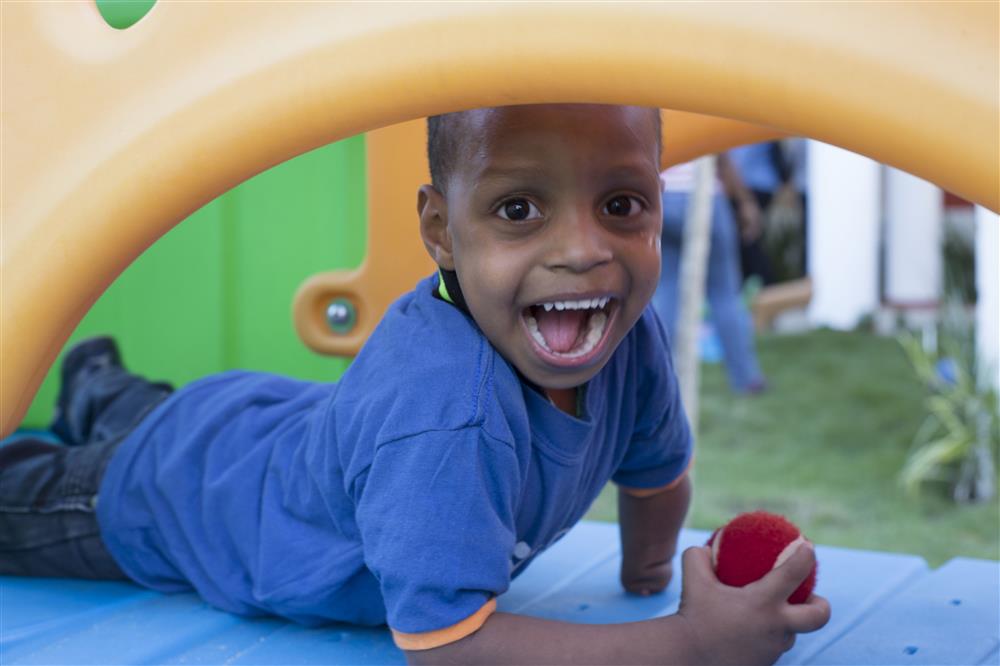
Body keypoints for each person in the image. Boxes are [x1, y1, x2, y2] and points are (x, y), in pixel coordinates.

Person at [0, 104, 828, 665]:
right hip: (177, 501)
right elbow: (449, 644)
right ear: (440, 230)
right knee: (45, 492)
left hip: (267, 426)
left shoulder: (632, 336)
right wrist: (687, 643)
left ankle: (100, 385)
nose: (584, 248)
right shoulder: (446, 419)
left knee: (178, 417)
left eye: (622, 204)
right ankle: (104, 398)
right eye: (517, 210)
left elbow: (657, 473)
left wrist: (648, 572)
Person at [655, 156, 768, 394]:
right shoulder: (707, 116)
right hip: (705, 196)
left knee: (665, 292)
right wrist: (744, 200)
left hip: (664, 197)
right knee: (724, 294)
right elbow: (723, 156)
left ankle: (662, 383)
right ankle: (746, 380)